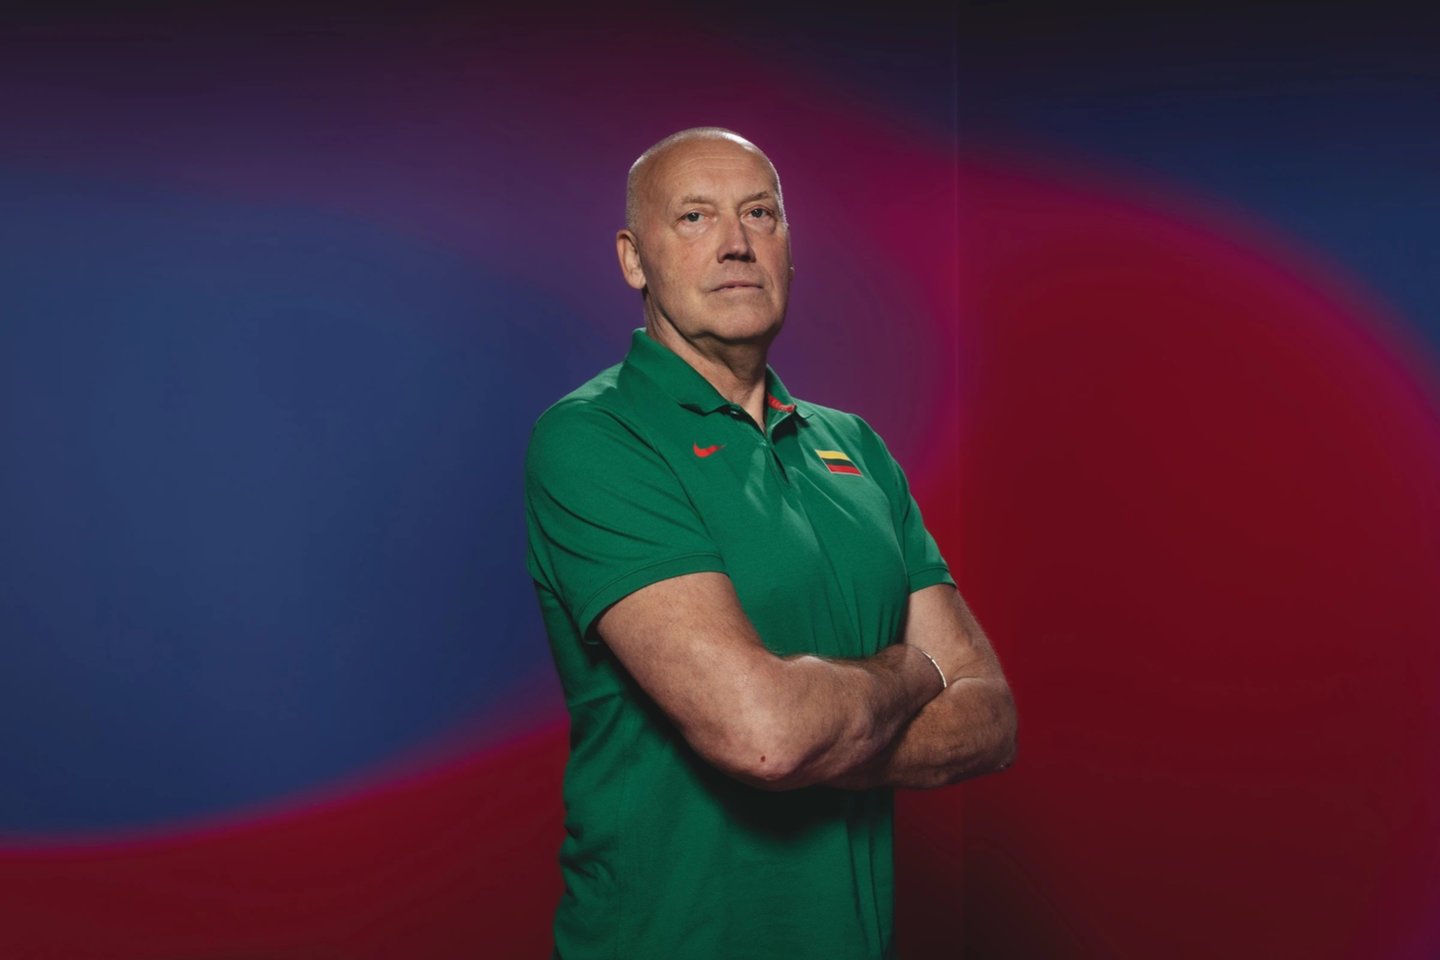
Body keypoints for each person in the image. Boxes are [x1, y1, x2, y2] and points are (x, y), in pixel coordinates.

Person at [524, 127, 1016, 960]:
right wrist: (913, 670)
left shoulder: (855, 447)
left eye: (760, 213)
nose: (737, 243)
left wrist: (823, 734)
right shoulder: (596, 438)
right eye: (694, 216)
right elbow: (764, 736)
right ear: (634, 259)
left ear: (788, 245)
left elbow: (991, 717)